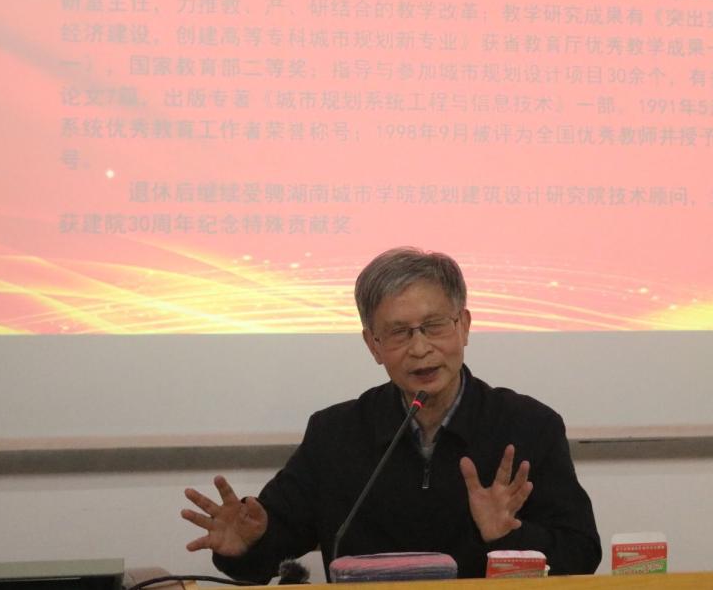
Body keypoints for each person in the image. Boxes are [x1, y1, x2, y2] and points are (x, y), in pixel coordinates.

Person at [181, 247, 601, 582]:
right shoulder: (335, 435)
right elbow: (267, 553)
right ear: (373, 345)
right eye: (399, 332)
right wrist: (244, 546)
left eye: (434, 326)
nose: (420, 348)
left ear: (464, 326)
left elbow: (582, 554)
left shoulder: (528, 425)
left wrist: (509, 536)